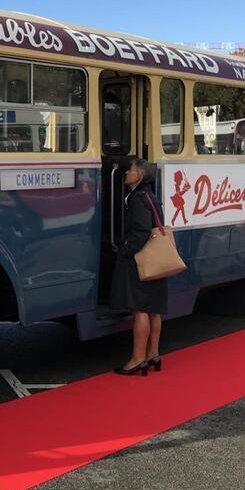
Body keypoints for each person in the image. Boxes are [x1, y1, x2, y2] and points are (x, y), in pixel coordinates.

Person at [110, 156, 168, 375]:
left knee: (140, 309)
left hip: (142, 260)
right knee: (154, 310)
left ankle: (137, 358)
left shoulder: (136, 200)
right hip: (157, 260)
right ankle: (153, 355)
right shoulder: (151, 197)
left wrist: (126, 251)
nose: (126, 172)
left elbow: (142, 231)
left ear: (139, 175)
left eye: (131, 170)